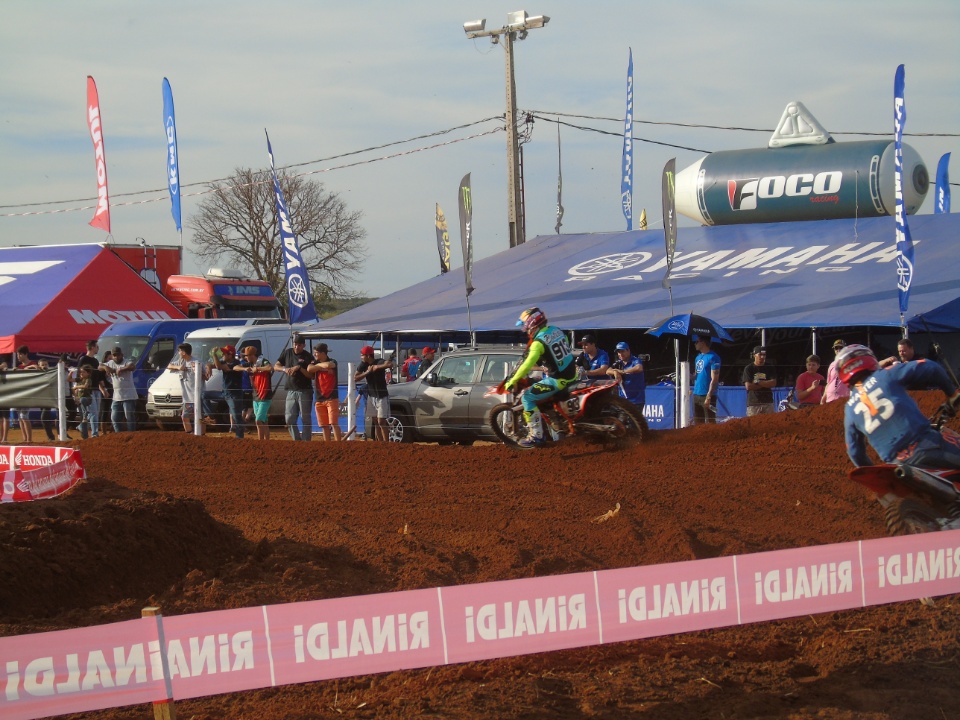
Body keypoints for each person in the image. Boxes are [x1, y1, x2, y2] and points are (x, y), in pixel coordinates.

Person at [839, 345, 960, 483]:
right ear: (867, 359)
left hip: (896, 469)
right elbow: (931, 367)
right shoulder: (885, 375)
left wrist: (878, 477)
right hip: (926, 444)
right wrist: (952, 394)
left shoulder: (849, 409)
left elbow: (854, 452)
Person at [504, 307, 579, 448]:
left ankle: (536, 436)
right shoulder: (556, 330)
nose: (526, 330)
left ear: (532, 323)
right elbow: (567, 342)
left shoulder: (538, 343)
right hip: (572, 374)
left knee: (527, 397)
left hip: (558, 380)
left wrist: (513, 380)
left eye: (525, 326)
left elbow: (526, 366)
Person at [275, 334, 313, 441]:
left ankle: (306, 441)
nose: (297, 347)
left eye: (299, 345)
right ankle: (297, 440)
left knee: (305, 418)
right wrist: (285, 369)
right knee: (289, 418)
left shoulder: (307, 356)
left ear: (304, 345)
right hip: (291, 390)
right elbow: (276, 366)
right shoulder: (287, 353)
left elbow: (311, 376)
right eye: (295, 344)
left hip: (304, 390)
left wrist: (299, 368)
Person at [167, 343, 209, 434]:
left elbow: (206, 377)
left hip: (198, 395)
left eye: (179, 351)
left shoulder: (198, 362)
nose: (178, 353)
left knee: (201, 416)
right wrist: (178, 367)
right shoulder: (181, 361)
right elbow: (169, 366)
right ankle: (189, 433)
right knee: (185, 416)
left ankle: (202, 435)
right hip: (187, 397)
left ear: (183, 352)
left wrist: (197, 371)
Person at [355, 345, 392, 441]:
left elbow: (389, 364)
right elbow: (355, 377)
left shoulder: (379, 361)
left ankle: (387, 443)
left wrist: (377, 367)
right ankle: (380, 443)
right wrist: (367, 372)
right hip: (371, 396)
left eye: (362, 355)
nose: (361, 357)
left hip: (381, 396)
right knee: (375, 421)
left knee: (381, 421)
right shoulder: (363, 364)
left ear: (368, 355)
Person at [307, 343, 342, 441]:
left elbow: (329, 365)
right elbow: (309, 368)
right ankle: (327, 444)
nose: (315, 355)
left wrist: (317, 366)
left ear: (323, 353)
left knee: (334, 423)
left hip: (331, 397)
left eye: (316, 353)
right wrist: (319, 366)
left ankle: (339, 444)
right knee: (324, 425)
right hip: (319, 397)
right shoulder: (314, 362)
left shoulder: (332, 361)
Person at [212, 345, 245, 439]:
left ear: (230, 355)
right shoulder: (225, 361)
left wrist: (214, 354)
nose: (222, 354)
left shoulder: (235, 363)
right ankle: (209, 416)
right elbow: (213, 365)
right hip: (226, 393)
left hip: (234, 394)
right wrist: (208, 367)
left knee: (236, 416)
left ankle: (240, 437)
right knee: (203, 395)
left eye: (224, 353)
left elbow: (218, 366)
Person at [242, 345, 274, 440]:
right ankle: (265, 441)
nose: (245, 357)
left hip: (265, 396)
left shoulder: (263, 361)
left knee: (258, 421)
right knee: (264, 421)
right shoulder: (250, 364)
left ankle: (260, 441)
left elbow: (270, 368)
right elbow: (236, 367)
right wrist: (244, 369)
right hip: (255, 396)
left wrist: (258, 369)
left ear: (252, 355)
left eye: (246, 356)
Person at [103, 346, 138, 432]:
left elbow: (132, 366)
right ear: (112, 355)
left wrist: (121, 369)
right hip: (117, 396)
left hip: (129, 395)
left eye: (118, 355)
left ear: (122, 354)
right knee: (114, 418)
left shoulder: (126, 362)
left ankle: (131, 434)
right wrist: (107, 369)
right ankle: (118, 434)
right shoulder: (110, 363)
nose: (116, 357)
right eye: (114, 355)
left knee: (129, 416)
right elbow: (100, 366)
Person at [606, 341, 646, 413]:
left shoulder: (635, 360)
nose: (621, 354)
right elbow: (607, 371)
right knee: (621, 422)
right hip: (623, 399)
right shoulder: (618, 363)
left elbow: (639, 368)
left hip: (636, 400)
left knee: (634, 423)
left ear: (628, 351)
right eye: (619, 352)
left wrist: (623, 372)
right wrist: (615, 372)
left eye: (622, 351)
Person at [76, 340, 104, 438]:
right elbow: (79, 376)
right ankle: (95, 433)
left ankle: (81, 426)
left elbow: (99, 377)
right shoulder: (83, 359)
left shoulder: (96, 361)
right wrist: (78, 391)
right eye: (96, 347)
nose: (98, 349)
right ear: (92, 347)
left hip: (96, 389)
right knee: (94, 413)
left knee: (95, 412)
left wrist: (103, 389)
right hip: (88, 390)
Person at [692, 335, 721, 424]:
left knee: (711, 421)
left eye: (697, 342)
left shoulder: (713, 357)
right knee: (698, 422)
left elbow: (715, 378)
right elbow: (697, 374)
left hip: (707, 394)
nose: (695, 344)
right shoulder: (698, 357)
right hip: (696, 393)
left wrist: (709, 396)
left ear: (703, 343)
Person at [742, 345, 777, 416]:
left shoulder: (770, 367)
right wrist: (766, 384)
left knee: (769, 424)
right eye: (760, 354)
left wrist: (758, 382)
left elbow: (773, 383)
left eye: (764, 355)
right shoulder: (749, 368)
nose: (762, 357)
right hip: (754, 403)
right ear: (754, 355)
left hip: (768, 402)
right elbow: (748, 386)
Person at [14, 345, 37, 443]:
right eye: (17, 354)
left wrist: (28, 367)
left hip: (28, 393)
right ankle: (25, 438)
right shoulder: (19, 366)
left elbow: (37, 368)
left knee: (24, 416)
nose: (18, 356)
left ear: (25, 354)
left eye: (20, 354)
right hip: (19, 393)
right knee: (20, 417)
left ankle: (29, 439)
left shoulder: (32, 363)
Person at [822, 339, 851, 405]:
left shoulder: (850, 362)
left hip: (844, 397)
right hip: (830, 397)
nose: (838, 349)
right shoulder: (831, 364)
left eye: (841, 347)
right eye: (836, 348)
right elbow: (829, 382)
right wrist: (823, 397)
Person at [73, 364, 95, 439]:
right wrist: (71, 372)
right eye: (80, 372)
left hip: (87, 399)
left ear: (88, 373)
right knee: (81, 417)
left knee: (83, 402)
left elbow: (85, 386)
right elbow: (69, 380)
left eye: (83, 372)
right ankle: (84, 435)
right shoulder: (79, 380)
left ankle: (85, 417)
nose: (81, 374)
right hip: (80, 400)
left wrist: (76, 387)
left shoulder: (88, 380)